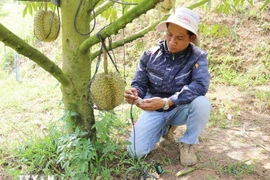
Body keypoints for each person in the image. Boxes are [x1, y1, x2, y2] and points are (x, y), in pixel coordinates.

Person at [124, 7, 211, 166]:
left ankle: (188, 143)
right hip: (155, 110)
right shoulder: (150, 55)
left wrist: (168, 102)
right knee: (135, 152)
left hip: (180, 108)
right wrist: (135, 94)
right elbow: (140, 83)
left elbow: (200, 85)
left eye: (179, 38)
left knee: (202, 103)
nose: (172, 42)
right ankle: (164, 128)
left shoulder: (198, 57)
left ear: (191, 38)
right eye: (169, 35)